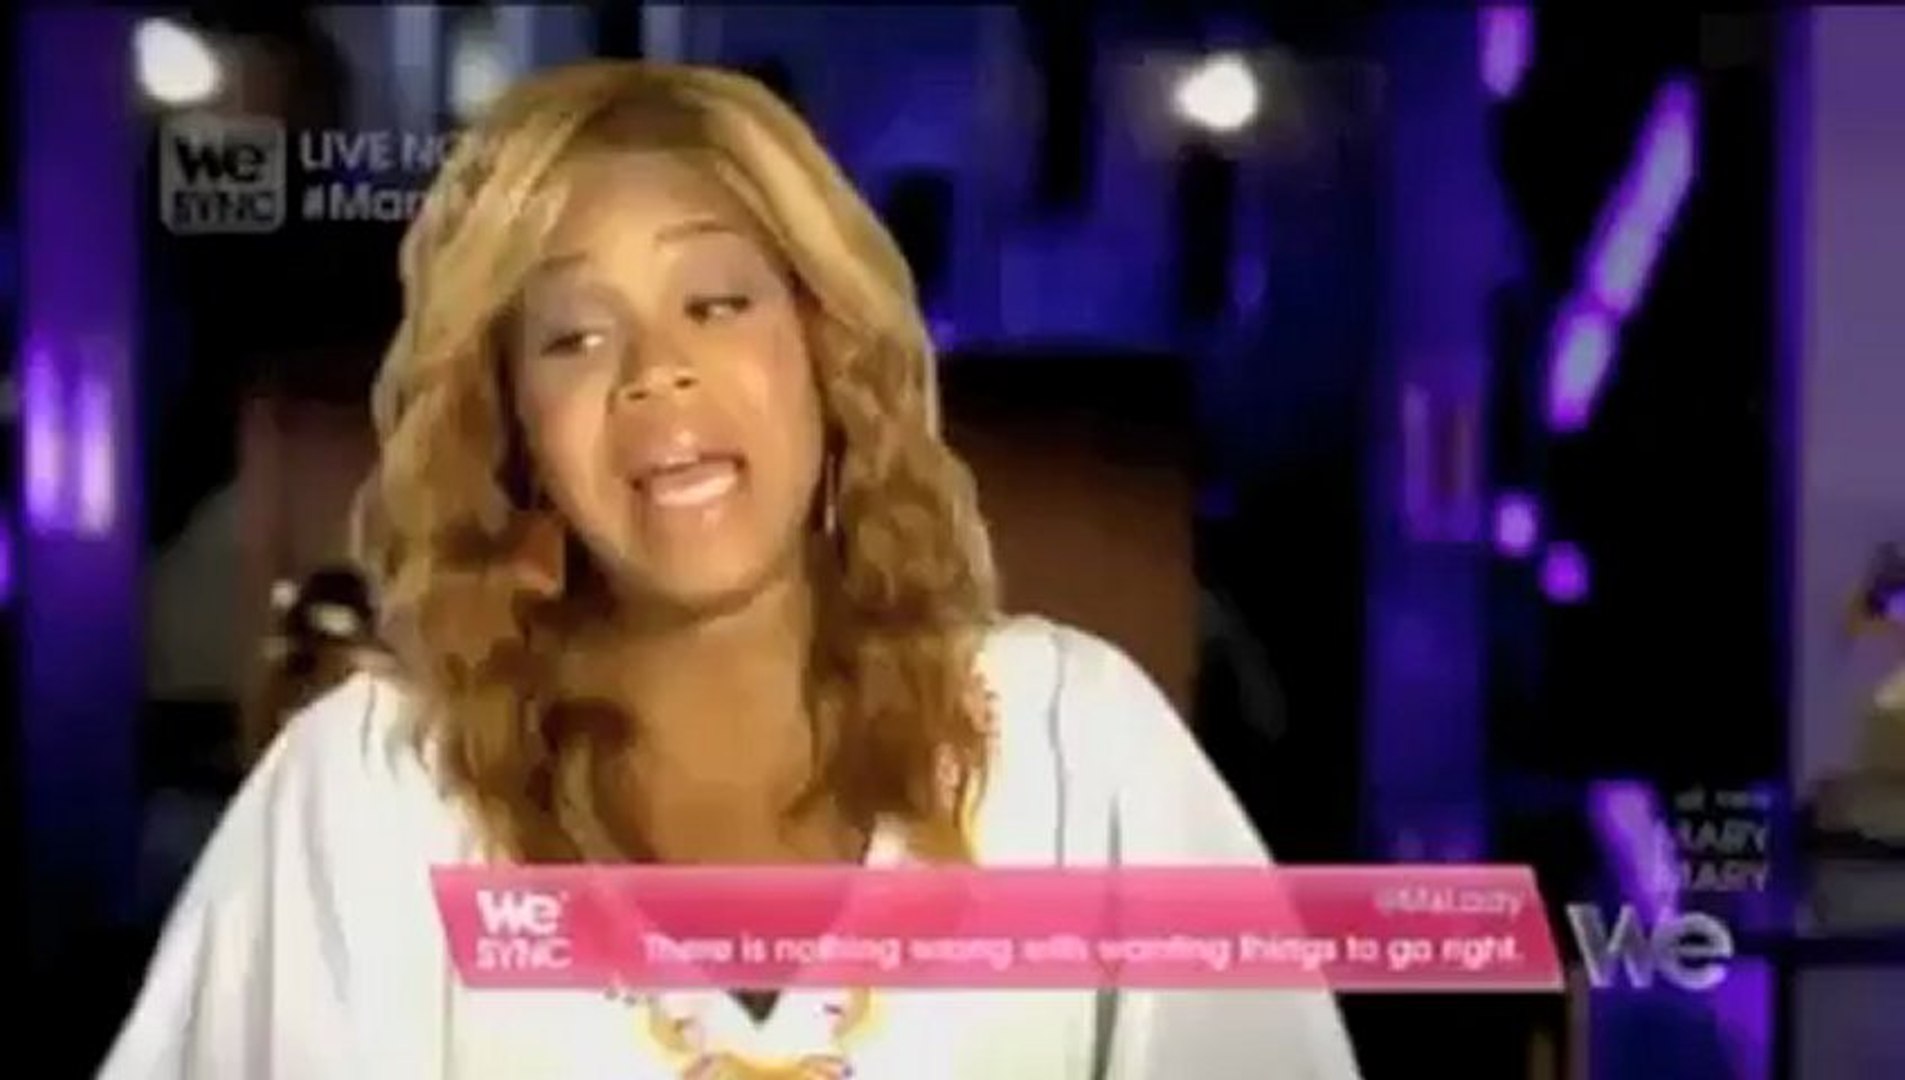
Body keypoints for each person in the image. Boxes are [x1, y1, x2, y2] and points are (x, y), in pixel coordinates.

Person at [99, 61, 1362, 1079]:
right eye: (574, 336)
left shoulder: (1079, 745)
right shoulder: (369, 791)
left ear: (825, 350)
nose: (657, 371)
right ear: (514, 430)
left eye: (717, 303)